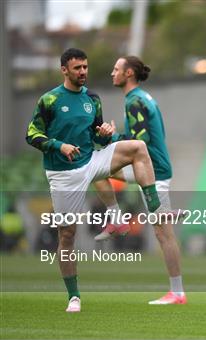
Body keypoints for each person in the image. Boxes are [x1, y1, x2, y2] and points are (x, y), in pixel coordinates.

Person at [26, 48, 166, 313]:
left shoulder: (93, 98)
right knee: (67, 235)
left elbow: (97, 137)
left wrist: (105, 134)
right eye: (77, 68)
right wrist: (59, 146)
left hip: (91, 160)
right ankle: (74, 296)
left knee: (137, 147)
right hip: (64, 173)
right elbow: (32, 134)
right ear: (64, 70)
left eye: (85, 67)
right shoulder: (50, 99)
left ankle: (156, 209)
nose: (83, 72)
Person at [92, 56, 187, 305]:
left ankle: (177, 293)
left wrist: (112, 137)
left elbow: (138, 142)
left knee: (163, 234)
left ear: (129, 73)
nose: (112, 73)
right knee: (95, 170)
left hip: (152, 170)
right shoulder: (140, 98)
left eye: (116, 69)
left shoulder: (135, 101)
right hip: (150, 167)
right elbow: (136, 138)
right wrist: (116, 137)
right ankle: (120, 218)